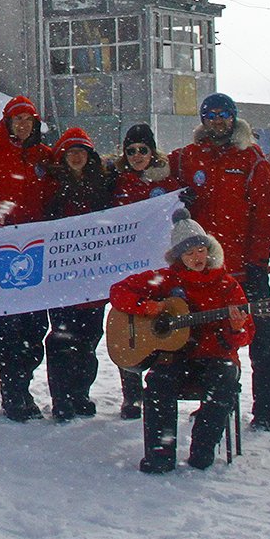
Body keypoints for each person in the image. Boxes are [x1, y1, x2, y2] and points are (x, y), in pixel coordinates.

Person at [169, 92, 270, 430]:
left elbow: (266, 218)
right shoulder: (189, 158)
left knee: (260, 340)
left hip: (245, 268)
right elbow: (156, 171)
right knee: (204, 342)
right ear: (203, 119)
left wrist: (257, 262)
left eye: (224, 114)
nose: (217, 120)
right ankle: (211, 405)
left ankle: (268, 409)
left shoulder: (252, 161)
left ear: (234, 118)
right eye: (211, 114)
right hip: (203, 268)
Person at [108, 217, 254, 472]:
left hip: (215, 357)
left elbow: (245, 336)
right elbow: (119, 291)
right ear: (179, 257)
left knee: (223, 381)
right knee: (158, 383)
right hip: (175, 357)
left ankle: (202, 452)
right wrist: (150, 307)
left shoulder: (227, 285)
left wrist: (235, 327)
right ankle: (159, 456)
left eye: (201, 250)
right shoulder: (166, 280)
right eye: (189, 253)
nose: (197, 257)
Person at [0, 94, 57, 420]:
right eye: (17, 119)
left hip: (37, 254)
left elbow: (62, 196)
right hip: (0, 252)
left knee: (32, 328)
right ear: (7, 123)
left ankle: (19, 383)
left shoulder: (46, 158)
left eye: (28, 120)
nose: (23, 125)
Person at [43, 126, 117, 422]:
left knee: (88, 338)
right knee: (61, 338)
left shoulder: (104, 184)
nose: (76, 157)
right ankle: (61, 396)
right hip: (61, 275)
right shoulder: (51, 185)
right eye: (71, 152)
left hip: (92, 275)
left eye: (81, 152)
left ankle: (80, 392)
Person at [111, 122, 171, 418]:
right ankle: (131, 394)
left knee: (162, 323)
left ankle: (160, 388)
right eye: (131, 150)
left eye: (142, 150)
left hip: (160, 266)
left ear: (152, 151)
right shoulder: (117, 180)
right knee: (130, 327)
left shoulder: (166, 181)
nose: (137, 156)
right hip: (129, 266)